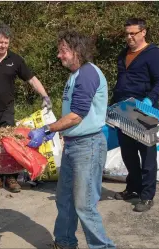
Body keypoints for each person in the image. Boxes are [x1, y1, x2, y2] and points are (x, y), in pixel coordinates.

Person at [28, 30, 115, 249]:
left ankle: (103, 247)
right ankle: (65, 242)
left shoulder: (87, 74)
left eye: (63, 50)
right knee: (64, 199)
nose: (59, 55)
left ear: (77, 50)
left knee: (84, 204)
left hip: (88, 146)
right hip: (74, 145)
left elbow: (77, 115)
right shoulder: (75, 75)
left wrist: (48, 129)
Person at [0, 24, 52, 193]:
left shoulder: (16, 60)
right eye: (0, 42)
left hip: (6, 110)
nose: (3, 46)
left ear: (9, 43)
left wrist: (45, 96)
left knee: (11, 144)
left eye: (6, 43)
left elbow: (31, 79)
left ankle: (11, 178)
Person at [112, 18, 159, 212]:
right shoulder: (123, 54)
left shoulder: (154, 55)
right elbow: (121, 83)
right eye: (126, 33)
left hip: (144, 110)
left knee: (147, 154)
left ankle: (146, 196)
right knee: (128, 153)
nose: (129, 37)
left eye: (133, 33)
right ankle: (133, 188)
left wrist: (149, 100)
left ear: (143, 32)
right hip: (123, 110)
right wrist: (112, 107)